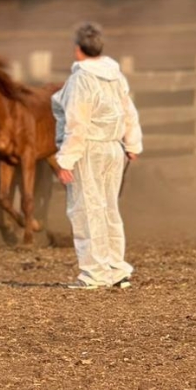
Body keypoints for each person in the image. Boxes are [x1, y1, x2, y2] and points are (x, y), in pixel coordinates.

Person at [51, 22, 143, 289]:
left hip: (89, 149)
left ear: (78, 49)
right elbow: (128, 111)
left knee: (86, 210)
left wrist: (66, 160)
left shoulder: (81, 79)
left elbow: (77, 123)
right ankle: (116, 269)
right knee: (107, 209)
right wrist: (132, 144)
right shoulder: (116, 75)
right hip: (114, 148)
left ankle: (94, 274)